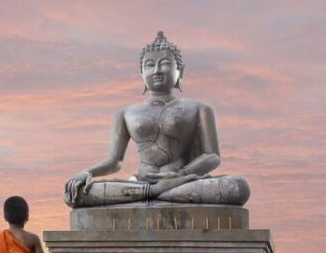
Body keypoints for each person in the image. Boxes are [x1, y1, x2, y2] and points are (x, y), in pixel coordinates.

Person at [64, 31, 250, 208]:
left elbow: (212, 156)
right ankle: (156, 192)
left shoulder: (199, 109)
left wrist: (180, 175)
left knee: (238, 187)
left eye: (165, 63)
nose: (157, 70)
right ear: (142, 74)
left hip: (182, 181)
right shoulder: (126, 113)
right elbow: (114, 161)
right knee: (75, 193)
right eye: (150, 65)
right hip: (141, 182)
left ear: (180, 71)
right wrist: (87, 172)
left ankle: (151, 194)